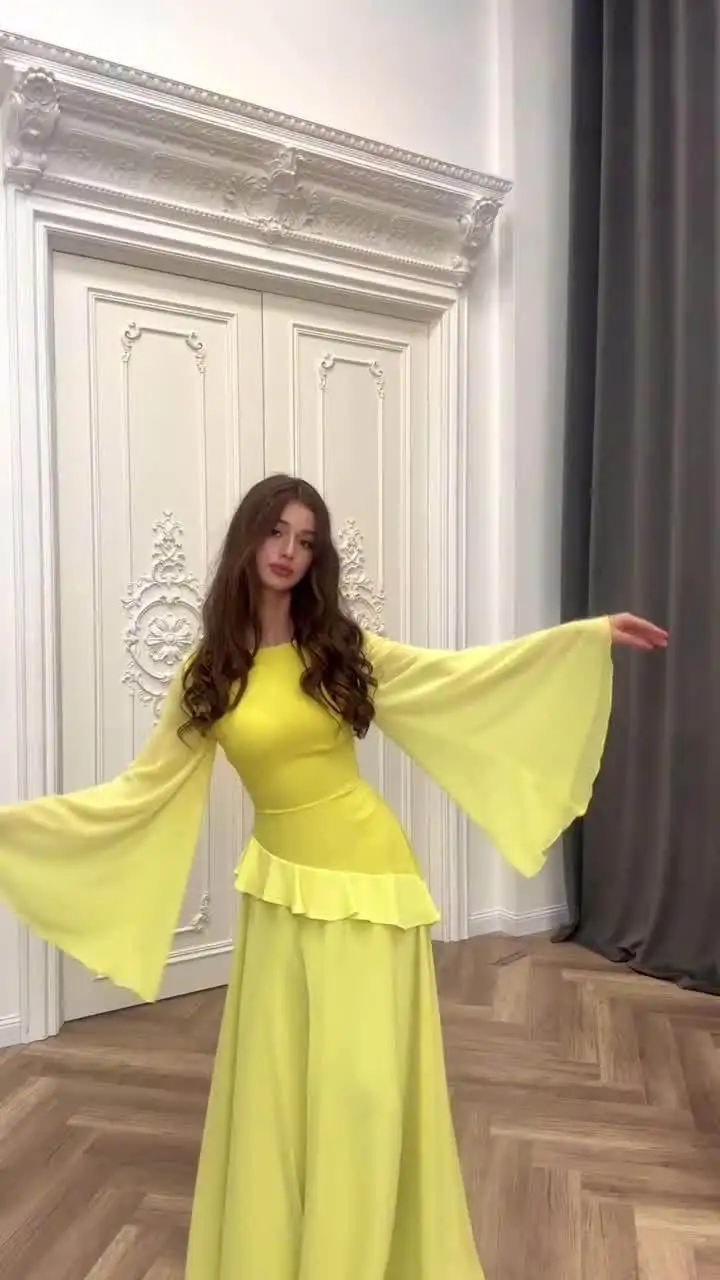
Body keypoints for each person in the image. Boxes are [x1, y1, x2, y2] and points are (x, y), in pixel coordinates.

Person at [0, 474, 668, 1279]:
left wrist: (583, 639)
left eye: (306, 540)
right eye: (276, 532)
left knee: (365, 1089)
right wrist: (13, 830)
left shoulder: (339, 647)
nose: (289, 551)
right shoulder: (209, 674)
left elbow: (459, 677)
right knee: (281, 1092)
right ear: (248, 540)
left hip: (368, 882)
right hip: (281, 892)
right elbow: (137, 794)